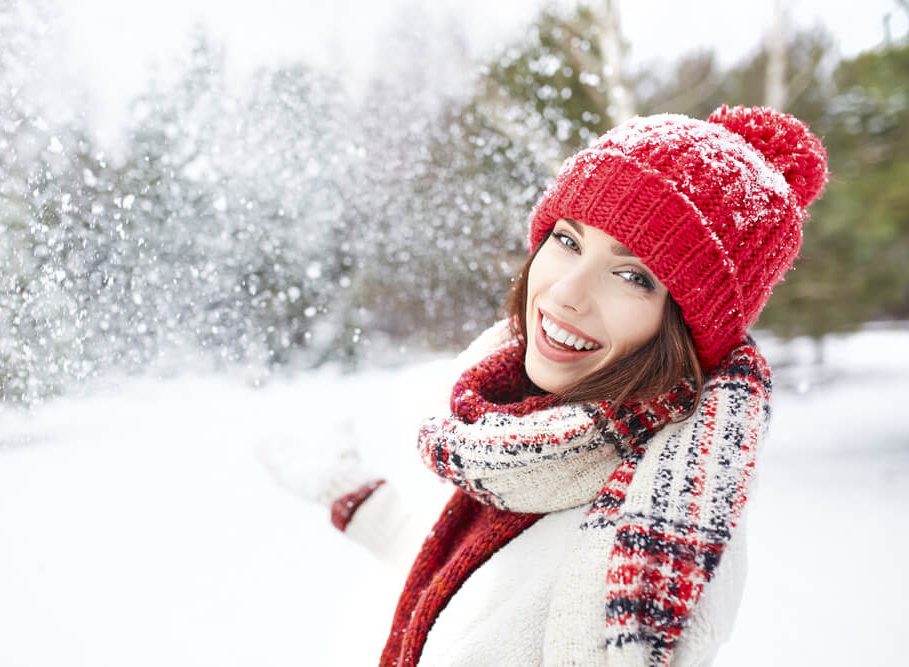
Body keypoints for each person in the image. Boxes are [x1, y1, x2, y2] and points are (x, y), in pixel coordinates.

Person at [324, 105, 828, 666]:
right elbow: (484, 586)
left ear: (686, 328)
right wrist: (358, 501)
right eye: (568, 241)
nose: (567, 291)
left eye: (633, 275)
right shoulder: (528, 449)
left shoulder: (664, 529)